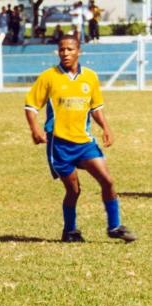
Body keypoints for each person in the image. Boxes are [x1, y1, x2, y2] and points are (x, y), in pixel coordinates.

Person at [24, 34, 137, 243]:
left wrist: (106, 127)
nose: (65, 53)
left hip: (85, 143)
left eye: (69, 49)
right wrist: (34, 128)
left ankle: (114, 226)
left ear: (78, 52)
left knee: (108, 181)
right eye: (61, 49)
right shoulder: (49, 77)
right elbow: (31, 106)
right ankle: (69, 231)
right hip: (59, 144)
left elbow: (96, 107)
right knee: (74, 191)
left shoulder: (90, 77)